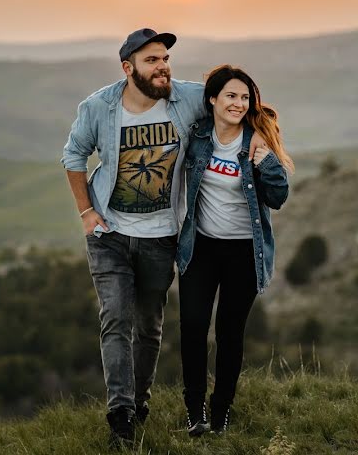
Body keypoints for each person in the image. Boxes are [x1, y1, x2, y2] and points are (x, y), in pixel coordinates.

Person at [60, 30, 267, 447]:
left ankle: (139, 403)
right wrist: (86, 212)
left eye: (165, 58)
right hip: (110, 234)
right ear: (128, 68)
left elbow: (235, 105)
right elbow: (73, 155)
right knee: (115, 318)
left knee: (150, 327)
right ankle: (120, 415)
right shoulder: (99, 107)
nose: (162, 67)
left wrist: (258, 134)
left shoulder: (187, 97)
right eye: (152, 60)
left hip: (162, 236)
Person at [176, 65, 293, 437]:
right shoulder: (196, 138)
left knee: (229, 332)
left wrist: (264, 160)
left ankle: (221, 409)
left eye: (244, 97)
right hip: (202, 247)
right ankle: (195, 410)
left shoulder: (255, 143)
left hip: (244, 252)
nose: (238, 104)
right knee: (193, 326)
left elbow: (278, 196)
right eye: (230, 95)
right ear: (212, 98)